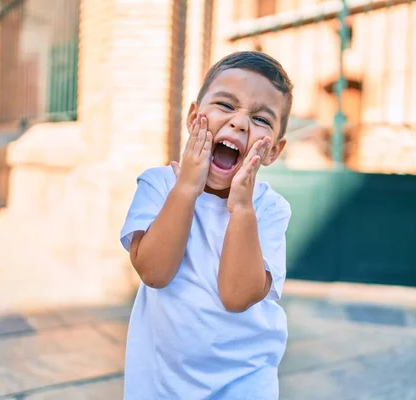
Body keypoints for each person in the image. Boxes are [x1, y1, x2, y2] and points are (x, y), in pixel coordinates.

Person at [120, 51, 294, 399]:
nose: (240, 123)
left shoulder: (270, 209)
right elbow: (154, 272)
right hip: (161, 380)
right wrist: (186, 187)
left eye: (261, 119)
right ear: (193, 117)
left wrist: (242, 209)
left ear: (273, 151)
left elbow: (237, 295)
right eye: (226, 106)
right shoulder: (159, 186)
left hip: (244, 381)